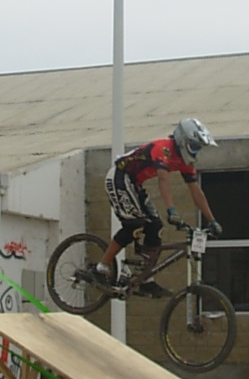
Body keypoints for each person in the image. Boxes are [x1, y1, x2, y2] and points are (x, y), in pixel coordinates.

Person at [93, 118, 222, 298]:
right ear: (183, 141)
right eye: (194, 146)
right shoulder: (163, 148)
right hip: (119, 177)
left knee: (155, 227)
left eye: (199, 148)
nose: (196, 151)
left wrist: (212, 220)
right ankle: (102, 267)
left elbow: (196, 191)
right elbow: (163, 179)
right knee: (135, 224)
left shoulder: (185, 162)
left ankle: (146, 278)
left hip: (134, 184)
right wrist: (171, 210)